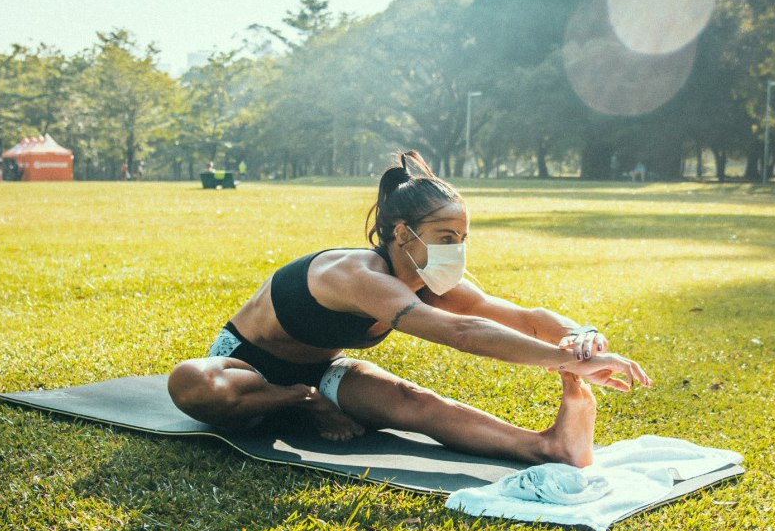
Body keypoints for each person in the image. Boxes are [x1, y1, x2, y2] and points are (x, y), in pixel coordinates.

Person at [166, 151, 650, 466]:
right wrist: (568, 361)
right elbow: (460, 332)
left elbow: (525, 317)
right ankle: (302, 401)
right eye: (445, 238)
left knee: (414, 402)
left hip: (324, 370)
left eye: (461, 239)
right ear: (402, 233)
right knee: (193, 383)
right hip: (247, 369)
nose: (455, 250)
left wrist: (581, 337)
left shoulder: (430, 279)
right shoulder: (355, 275)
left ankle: (548, 445)